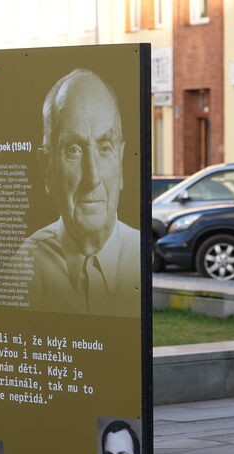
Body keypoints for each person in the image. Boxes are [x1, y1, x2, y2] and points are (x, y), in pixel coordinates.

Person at [21, 68, 140, 316]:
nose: (93, 177)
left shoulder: (142, 255)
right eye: (73, 149)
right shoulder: (25, 265)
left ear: (121, 162)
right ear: (46, 167)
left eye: (105, 147)